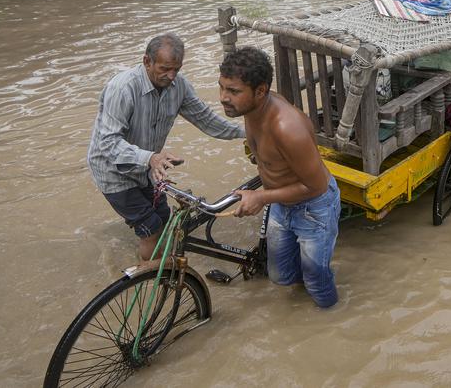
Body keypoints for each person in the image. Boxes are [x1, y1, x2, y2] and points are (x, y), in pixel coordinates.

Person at [87, 33, 245, 262]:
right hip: (113, 170)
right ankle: (152, 282)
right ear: (147, 62)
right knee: (151, 227)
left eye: (176, 70)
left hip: (148, 167)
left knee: (163, 217)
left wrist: (245, 133)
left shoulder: (178, 86)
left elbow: (206, 120)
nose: (171, 76)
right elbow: (108, 143)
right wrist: (150, 158)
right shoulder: (122, 89)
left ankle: (155, 265)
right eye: (164, 69)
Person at [219, 47, 341, 308]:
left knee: (318, 281)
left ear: (260, 91)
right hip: (281, 202)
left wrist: (261, 196)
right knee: (280, 275)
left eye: (233, 91)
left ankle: (329, 320)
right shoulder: (251, 109)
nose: (223, 98)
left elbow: (316, 186)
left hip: (313, 207)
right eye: (222, 88)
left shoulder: (287, 127)